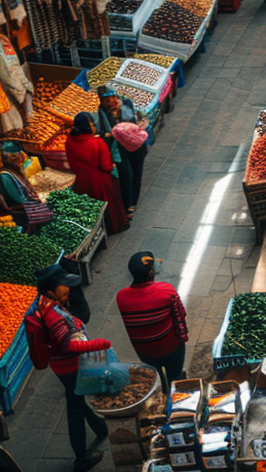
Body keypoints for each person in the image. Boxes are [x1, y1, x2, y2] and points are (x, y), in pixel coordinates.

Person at [33, 263, 109, 471]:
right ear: (50, 291)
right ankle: (81, 458)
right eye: (63, 285)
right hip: (69, 367)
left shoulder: (50, 303)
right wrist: (99, 345)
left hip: (62, 365)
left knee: (76, 396)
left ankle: (100, 428)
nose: (68, 288)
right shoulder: (53, 316)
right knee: (74, 408)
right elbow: (70, 346)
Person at [115, 252, 189, 393]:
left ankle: (162, 394)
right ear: (152, 272)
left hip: (144, 351)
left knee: (156, 378)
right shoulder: (166, 290)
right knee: (174, 376)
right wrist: (183, 337)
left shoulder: (121, 297)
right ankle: (175, 396)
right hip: (171, 348)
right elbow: (180, 315)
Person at [65, 112, 126, 232]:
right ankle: (113, 227)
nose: (94, 127)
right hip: (99, 179)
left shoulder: (70, 141)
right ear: (88, 126)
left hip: (81, 180)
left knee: (90, 205)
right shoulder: (97, 142)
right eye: (92, 124)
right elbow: (106, 166)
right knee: (107, 203)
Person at [96, 85, 148, 214]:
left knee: (137, 174)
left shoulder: (127, 107)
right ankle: (126, 204)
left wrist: (140, 126)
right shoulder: (100, 116)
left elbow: (140, 122)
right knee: (126, 175)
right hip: (118, 149)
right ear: (102, 102)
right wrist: (110, 135)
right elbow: (100, 134)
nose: (113, 102)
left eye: (115, 98)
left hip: (135, 146)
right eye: (108, 100)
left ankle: (132, 203)